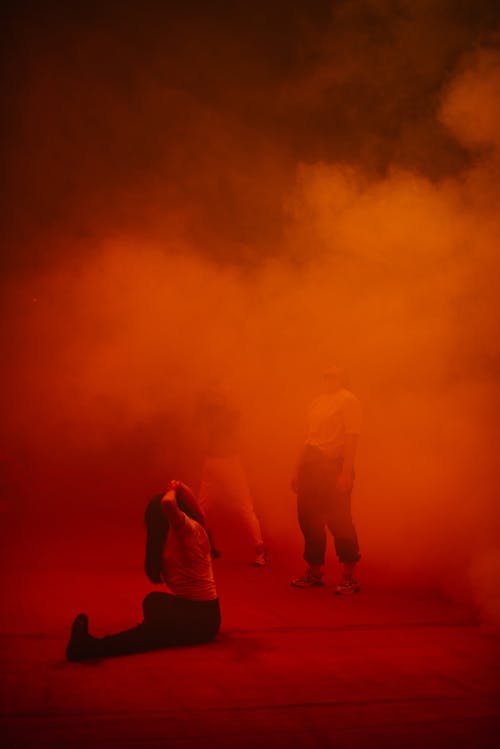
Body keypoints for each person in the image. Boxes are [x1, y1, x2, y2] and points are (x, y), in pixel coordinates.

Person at [65, 480, 221, 661]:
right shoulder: (193, 526)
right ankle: (164, 630)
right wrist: (181, 488)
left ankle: (88, 648)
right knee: (152, 601)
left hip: (200, 619)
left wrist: (173, 489)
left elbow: (168, 504)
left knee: (145, 634)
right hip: (204, 614)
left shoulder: (187, 530)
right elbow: (193, 509)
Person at [291, 366, 362, 595]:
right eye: (326, 375)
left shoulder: (348, 400)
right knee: (308, 518)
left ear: (343, 377)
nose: (329, 378)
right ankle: (314, 571)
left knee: (339, 520)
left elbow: (352, 437)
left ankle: (348, 576)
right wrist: (297, 470)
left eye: (334, 374)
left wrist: (346, 472)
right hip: (312, 465)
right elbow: (308, 439)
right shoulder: (316, 402)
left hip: (333, 466)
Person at [195, 383, 267, 567]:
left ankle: (259, 550)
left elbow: (227, 422)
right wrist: (215, 398)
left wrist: (219, 398)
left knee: (243, 506)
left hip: (225, 462)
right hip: (214, 462)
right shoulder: (213, 412)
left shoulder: (228, 413)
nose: (216, 397)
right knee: (203, 507)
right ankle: (195, 546)